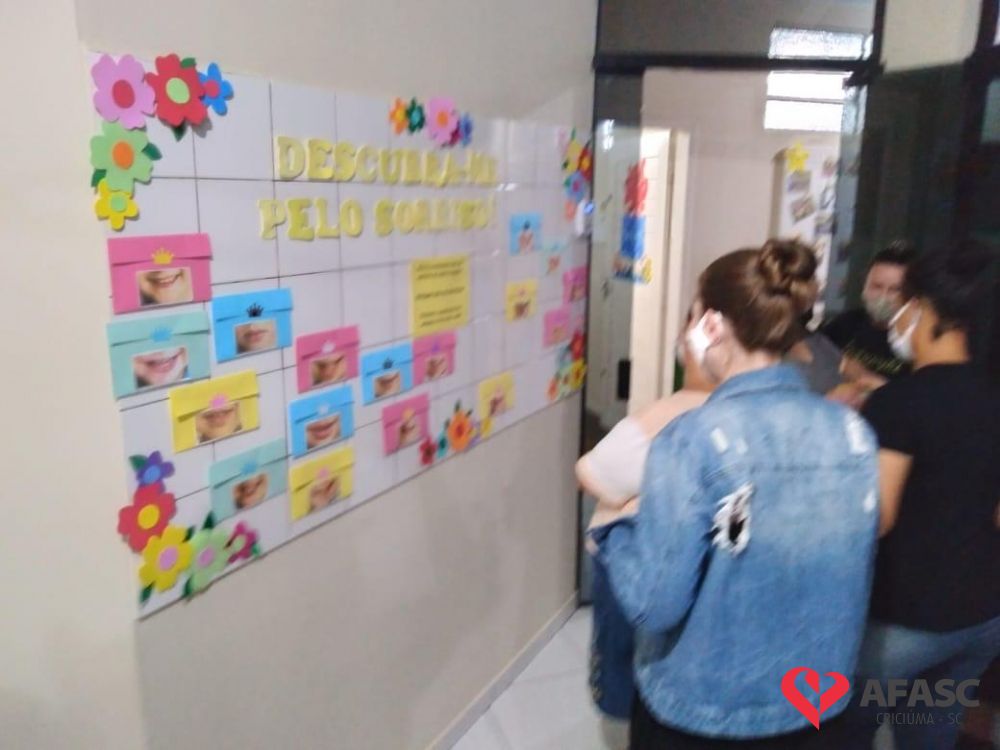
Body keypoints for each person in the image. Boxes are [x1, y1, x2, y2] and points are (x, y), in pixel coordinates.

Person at [590, 240, 880, 748]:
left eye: (692, 317)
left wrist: (613, 535)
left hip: (703, 711)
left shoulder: (693, 439)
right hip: (816, 707)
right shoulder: (852, 432)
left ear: (712, 326)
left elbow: (655, 604)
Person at [848, 248, 1000, 749]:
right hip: (980, 617)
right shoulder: (992, 395)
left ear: (921, 308)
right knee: (930, 732)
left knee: (847, 728)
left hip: (905, 621)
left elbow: (879, 517)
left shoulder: (899, 403)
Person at [575, 309, 713, 736]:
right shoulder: (768, 412)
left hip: (642, 569)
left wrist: (633, 492)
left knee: (624, 665)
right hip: (711, 581)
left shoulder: (667, 415)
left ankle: (619, 711)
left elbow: (592, 475)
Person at [822, 241, 915, 382]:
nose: (883, 296)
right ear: (864, 287)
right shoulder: (845, 324)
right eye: (877, 286)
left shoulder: (912, 341)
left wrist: (866, 379)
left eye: (894, 290)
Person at [782, 247, 843, 395]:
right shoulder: (762, 350)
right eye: (813, 278)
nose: (818, 285)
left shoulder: (816, 341)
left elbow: (859, 374)